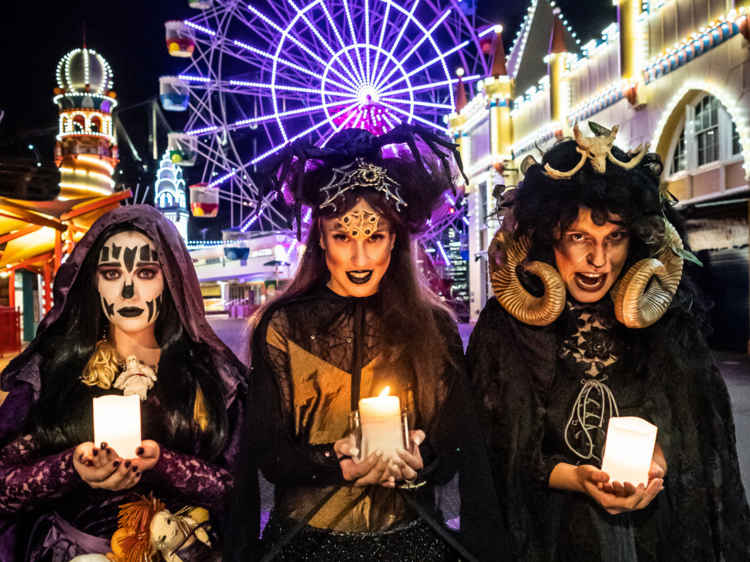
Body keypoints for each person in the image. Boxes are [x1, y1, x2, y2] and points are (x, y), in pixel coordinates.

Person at [466, 122, 750, 561]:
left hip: (653, 535)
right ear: (547, 236)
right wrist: (574, 477)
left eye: (614, 237)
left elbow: (700, 437)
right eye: (579, 237)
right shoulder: (506, 329)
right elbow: (495, 449)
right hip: (551, 539)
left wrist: (661, 457)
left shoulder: (670, 326)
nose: (598, 260)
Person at [225, 125, 506, 562]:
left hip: (410, 544)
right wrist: (335, 463)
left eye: (374, 237)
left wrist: (419, 460)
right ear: (320, 237)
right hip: (306, 546)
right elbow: (269, 454)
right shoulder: (282, 326)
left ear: (395, 239)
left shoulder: (434, 328)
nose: (360, 259)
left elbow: (458, 450)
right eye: (343, 237)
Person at [0, 205, 247, 562]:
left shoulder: (209, 375)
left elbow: (242, 492)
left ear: (172, 280)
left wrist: (164, 464)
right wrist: (71, 468)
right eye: (112, 273)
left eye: (146, 272)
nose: (128, 289)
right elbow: (4, 483)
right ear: (94, 282)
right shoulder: (54, 369)